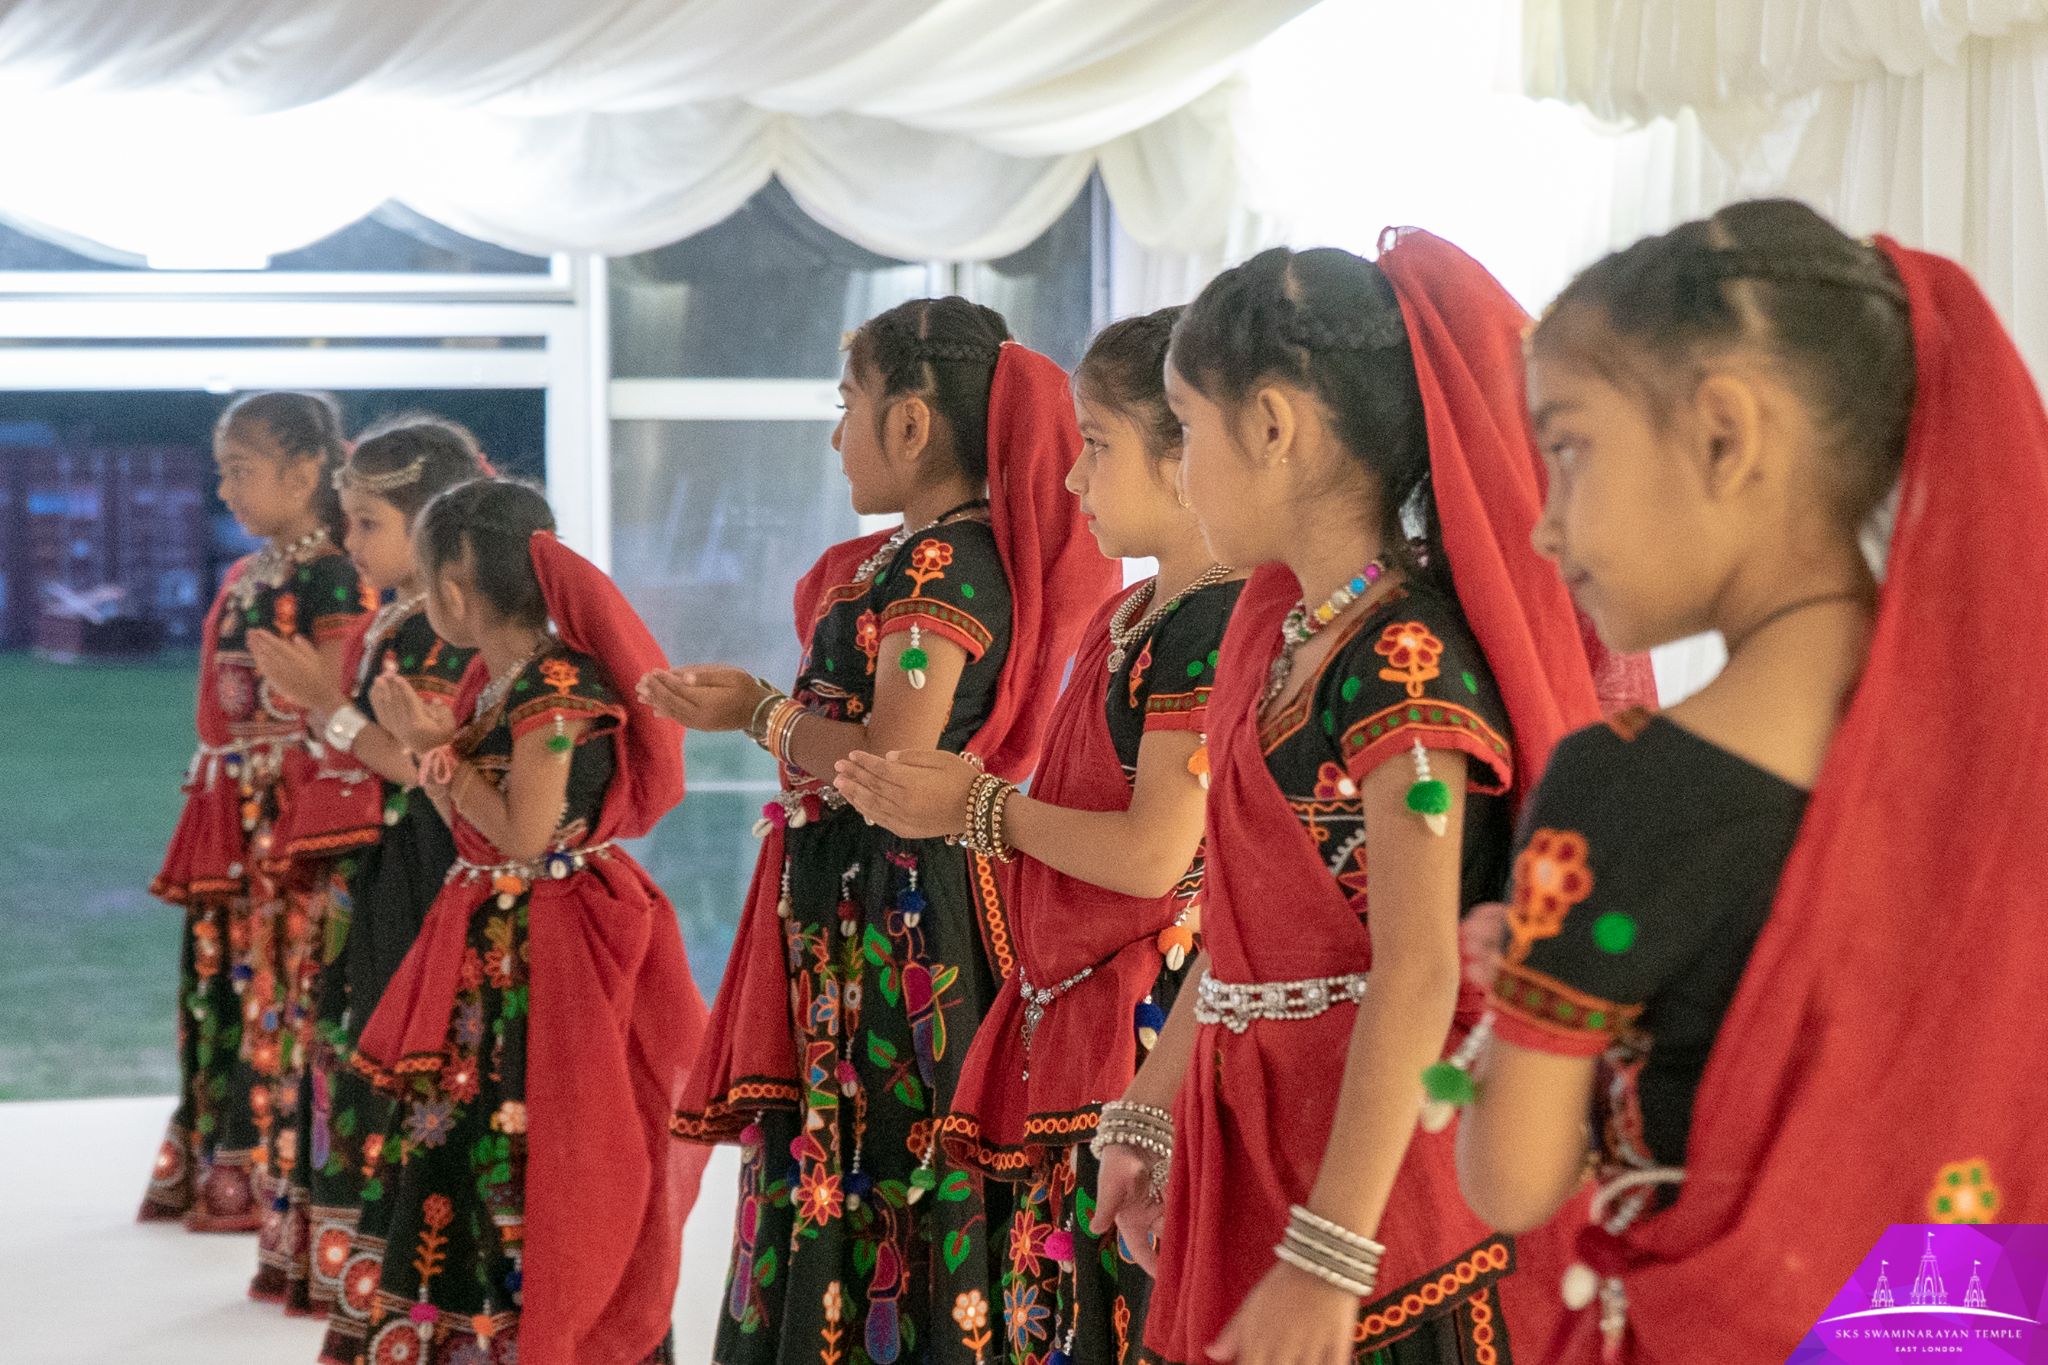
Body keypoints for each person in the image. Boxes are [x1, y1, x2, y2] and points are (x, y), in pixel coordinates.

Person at [1454, 199, 2048, 1362]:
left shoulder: (1622, 794)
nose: (1542, 527)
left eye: (1566, 451)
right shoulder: (2004, 771)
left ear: (1724, 436)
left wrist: (1521, 1011)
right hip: (1954, 1328)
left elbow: (1511, 1180)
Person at [1092, 236, 1647, 1365]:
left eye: (1187, 428)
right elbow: (1246, 926)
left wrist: (1327, 1254)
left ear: (1271, 426)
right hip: (1271, 1146)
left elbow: (1418, 972)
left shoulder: (1404, 659)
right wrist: (1151, 1105)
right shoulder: (1283, 634)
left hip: (1382, 1197)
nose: (1183, 471)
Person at [662, 299, 1116, 1365]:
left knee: (881, 1154)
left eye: (847, 405)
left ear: (909, 423)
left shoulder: (941, 566)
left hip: (900, 920)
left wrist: (761, 715)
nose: (836, 436)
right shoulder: (914, 557)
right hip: (873, 900)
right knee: (858, 1154)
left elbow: (892, 758)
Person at [833, 306, 1242, 1365]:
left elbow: (1154, 855)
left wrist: (975, 809)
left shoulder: (1210, 625)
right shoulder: (1140, 613)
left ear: (1185, 452)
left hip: (1150, 1022)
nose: (1070, 477)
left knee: (1123, 1315)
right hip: (1084, 1011)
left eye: (1096, 446)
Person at [338, 479, 709, 1365]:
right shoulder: (501, 680)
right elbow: (484, 823)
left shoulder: (557, 688)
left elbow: (525, 833)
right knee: (469, 1135)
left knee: (539, 1139)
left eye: (428, 583)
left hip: (544, 952)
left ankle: (536, 1331)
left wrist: (436, 752)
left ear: (454, 589)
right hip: (496, 944)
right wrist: (439, 750)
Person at [244, 418, 490, 1320]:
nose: (350, 542)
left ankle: (393, 1269)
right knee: (354, 1040)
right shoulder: (403, 615)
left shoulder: (443, 630)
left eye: (368, 523)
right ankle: (358, 1261)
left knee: (394, 1047)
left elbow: (422, 767)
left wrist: (326, 706)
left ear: (432, 525)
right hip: (378, 864)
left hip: (420, 864)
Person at [142, 391, 367, 1232]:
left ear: (304, 473)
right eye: (222, 471)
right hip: (235, 806)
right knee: (228, 976)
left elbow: (334, 700)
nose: (225, 489)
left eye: (240, 470)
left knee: (279, 976)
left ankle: (268, 1166)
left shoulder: (334, 575)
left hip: (289, 812)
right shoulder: (251, 575)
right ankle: (223, 1157)